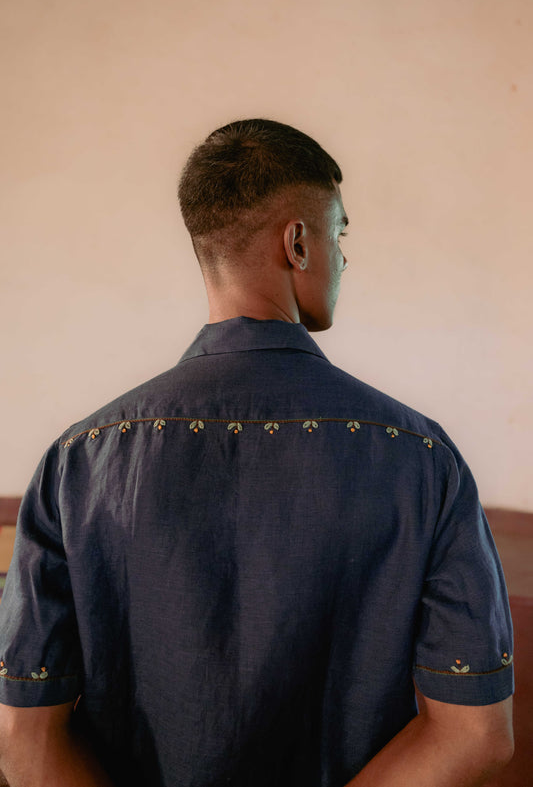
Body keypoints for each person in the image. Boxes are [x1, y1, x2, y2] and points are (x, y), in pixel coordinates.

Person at [0, 119, 514, 787]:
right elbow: (476, 733)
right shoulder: (419, 455)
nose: (344, 257)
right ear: (297, 241)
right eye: (340, 234)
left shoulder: (76, 461)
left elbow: (22, 736)